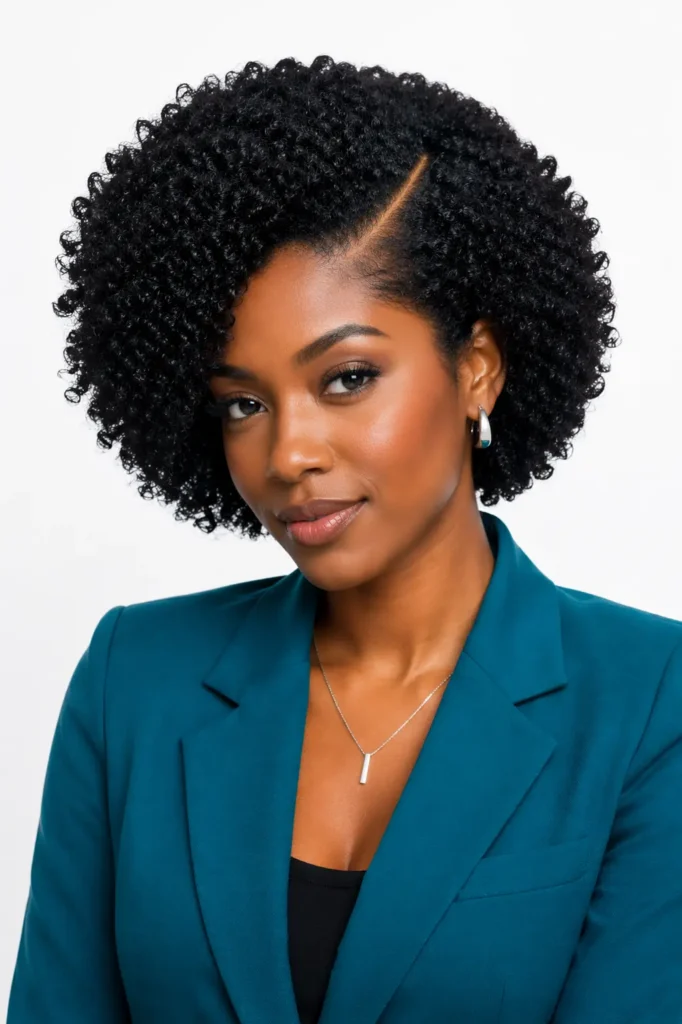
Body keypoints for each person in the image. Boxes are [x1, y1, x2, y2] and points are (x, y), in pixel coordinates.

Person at [8, 55, 682, 1024]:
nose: (287, 453)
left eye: (346, 378)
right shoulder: (134, 687)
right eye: (242, 402)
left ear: (478, 369)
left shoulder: (647, 704)